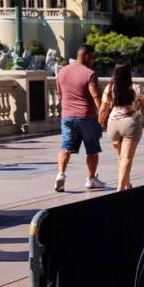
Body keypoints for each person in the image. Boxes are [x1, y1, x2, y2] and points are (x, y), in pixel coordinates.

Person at [54, 44, 105, 192]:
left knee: (66, 147)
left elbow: (60, 93)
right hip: (87, 117)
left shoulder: (62, 72)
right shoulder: (90, 74)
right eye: (93, 57)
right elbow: (96, 96)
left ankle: (61, 174)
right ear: (87, 56)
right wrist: (102, 115)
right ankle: (91, 179)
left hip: (67, 116)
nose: (93, 60)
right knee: (92, 150)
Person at [98, 61, 144, 191]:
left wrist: (101, 120)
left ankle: (127, 185)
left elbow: (103, 109)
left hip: (113, 125)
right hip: (130, 124)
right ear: (129, 72)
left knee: (121, 159)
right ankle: (120, 189)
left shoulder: (109, 88)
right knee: (127, 158)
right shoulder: (136, 87)